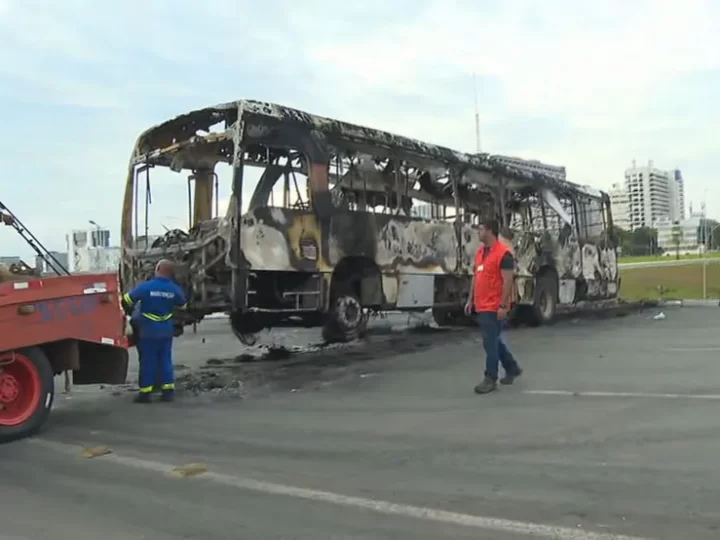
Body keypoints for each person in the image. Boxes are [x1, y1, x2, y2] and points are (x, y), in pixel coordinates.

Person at [465, 219, 523, 394]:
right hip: (481, 304)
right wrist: (470, 300)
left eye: (481, 229)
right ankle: (512, 368)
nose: (478, 233)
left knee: (489, 341)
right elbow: (476, 276)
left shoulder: (504, 254)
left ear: (490, 231)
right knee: (493, 340)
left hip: (494, 305)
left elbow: (507, 282)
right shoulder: (481, 252)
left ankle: (490, 377)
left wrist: (503, 306)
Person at [122, 260, 187, 403]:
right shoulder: (174, 289)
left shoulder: (146, 287)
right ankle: (168, 392)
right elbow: (183, 306)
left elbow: (126, 300)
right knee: (165, 359)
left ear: (157, 269)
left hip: (148, 330)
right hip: (166, 330)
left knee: (148, 361)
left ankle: (145, 393)